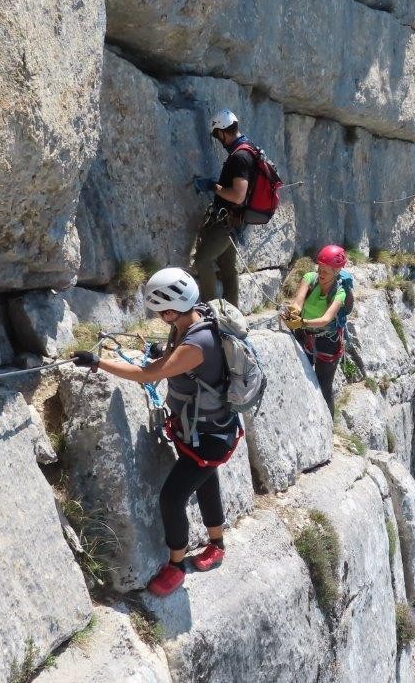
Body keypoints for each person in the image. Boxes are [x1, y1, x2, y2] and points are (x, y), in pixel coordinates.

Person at [71, 268, 242, 597]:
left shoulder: (197, 341)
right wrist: (163, 354)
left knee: (172, 497)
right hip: (205, 430)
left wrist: (98, 362)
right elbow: (170, 361)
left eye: (162, 311)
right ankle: (216, 542)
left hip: (208, 437)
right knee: (207, 481)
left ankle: (176, 565)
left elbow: (148, 375)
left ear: (172, 308)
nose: (161, 317)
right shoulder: (194, 318)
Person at [191, 109, 253, 308]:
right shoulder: (247, 149)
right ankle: (232, 312)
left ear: (222, 132)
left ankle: (209, 309)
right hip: (235, 220)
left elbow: (237, 195)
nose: (219, 140)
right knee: (227, 268)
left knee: (202, 260)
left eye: (218, 135)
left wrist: (212, 186)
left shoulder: (240, 156)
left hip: (227, 221)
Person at [280, 245, 352, 413]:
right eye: (320, 268)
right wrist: (293, 314)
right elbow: (298, 303)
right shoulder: (310, 278)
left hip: (328, 339)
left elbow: (326, 319)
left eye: (326, 271)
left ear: (336, 271)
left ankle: (329, 426)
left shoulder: (339, 292)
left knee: (324, 384)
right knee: (300, 377)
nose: (321, 273)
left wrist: (302, 322)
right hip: (304, 333)